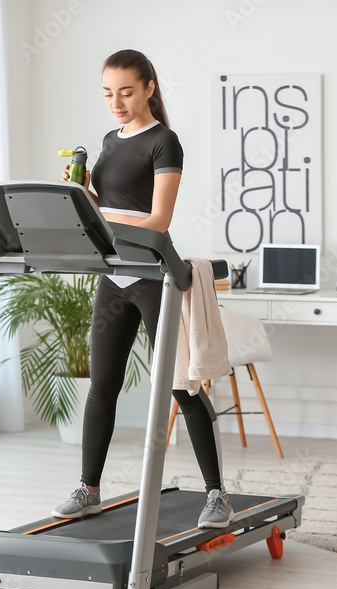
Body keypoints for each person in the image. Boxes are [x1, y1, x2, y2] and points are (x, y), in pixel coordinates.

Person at [53, 49, 232, 529]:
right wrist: (83, 196)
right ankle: (88, 488)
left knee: (182, 387)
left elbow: (157, 221)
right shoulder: (110, 141)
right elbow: (108, 209)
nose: (116, 101)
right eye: (109, 93)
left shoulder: (164, 142)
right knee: (101, 387)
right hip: (114, 277)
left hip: (153, 274)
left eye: (126, 91)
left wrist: (100, 217)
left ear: (149, 87)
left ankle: (217, 494)